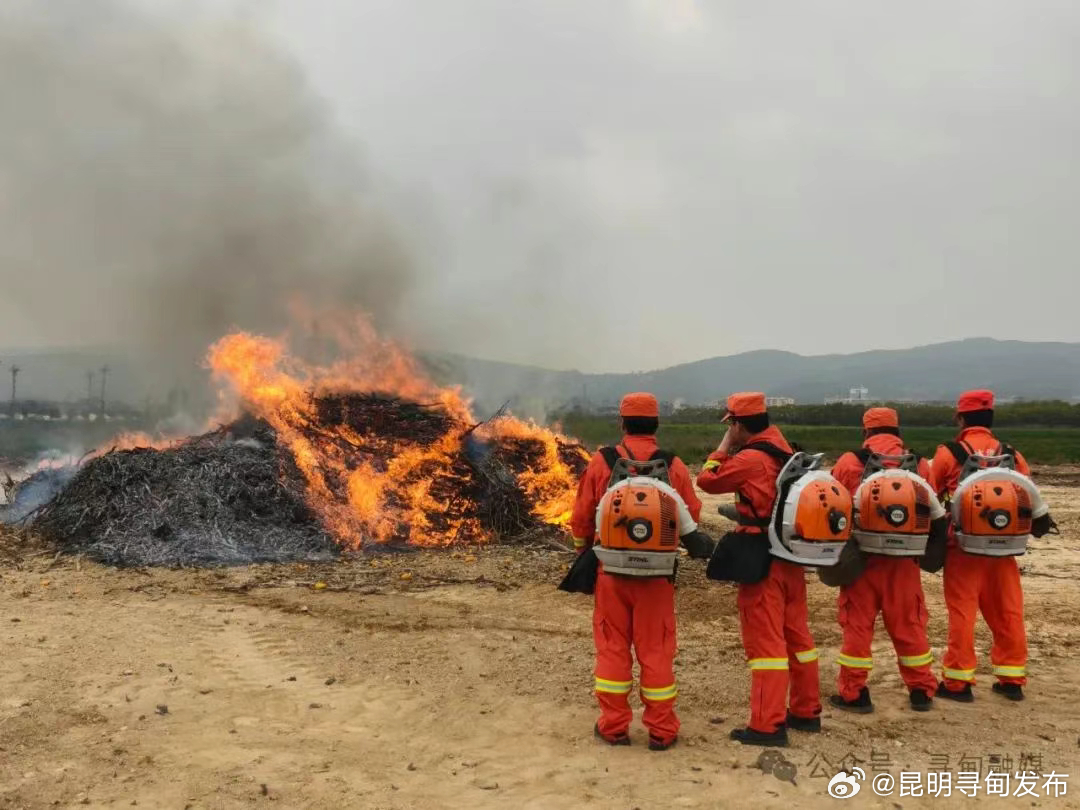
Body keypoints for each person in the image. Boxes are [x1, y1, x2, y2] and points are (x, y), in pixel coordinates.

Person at [569, 392, 702, 750]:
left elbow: (582, 516)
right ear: (656, 424)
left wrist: (584, 550)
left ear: (622, 423)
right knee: (656, 650)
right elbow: (691, 515)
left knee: (612, 648)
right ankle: (661, 730)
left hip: (610, 573)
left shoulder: (602, 461)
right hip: (658, 578)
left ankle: (613, 726)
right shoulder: (671, 465)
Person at [696, 392, 820, 747]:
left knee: (765, 643)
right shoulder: (788, 452)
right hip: (790, 555)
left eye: (731, 424)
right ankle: (806, 711)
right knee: (798, 636)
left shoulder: (752, 458)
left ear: (738, 424)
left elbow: (707, 481)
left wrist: (723, 446)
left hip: (760, 556)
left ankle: (767, 725)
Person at [828, 407, 939, 713]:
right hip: (905, 563)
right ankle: (921, 690)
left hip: (861, 561)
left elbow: (836, 506)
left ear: (866, 433)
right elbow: (932, 506)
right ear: (897, 431)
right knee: (909, 626)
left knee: (857, 628)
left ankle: (854, 693)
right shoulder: (919, 465)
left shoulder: (850, 462)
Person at [929, 389, 1032, 702]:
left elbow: (931, 494)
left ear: (960, 418)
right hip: (1004, 549)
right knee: (1008, 611)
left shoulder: (949, 452)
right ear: (991, 418)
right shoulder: (1011, 454)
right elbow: (1027, 492)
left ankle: (958, 683)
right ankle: (1012, 678)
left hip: (962, 549)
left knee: (963, 612)